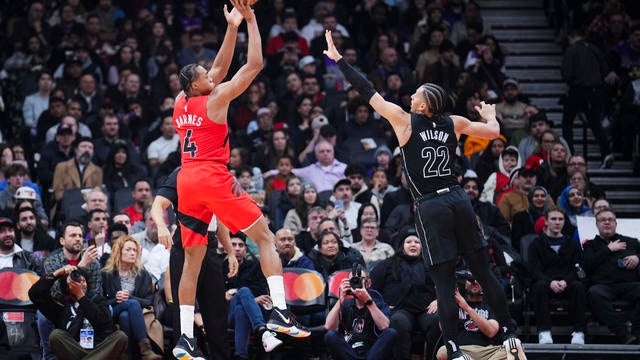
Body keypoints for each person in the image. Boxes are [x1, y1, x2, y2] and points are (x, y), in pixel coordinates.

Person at [324, 30, 526, 360]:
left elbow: (368, 91)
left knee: (444, 282)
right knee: (484, 270)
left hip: (431, 206)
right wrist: (489, 113)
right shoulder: (454, 122)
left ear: (423, 104)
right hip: (459, 199)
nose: (411, 95)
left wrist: (338, 59)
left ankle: (453, 348)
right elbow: (492, 132)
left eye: (416, 93)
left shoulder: (404, 120)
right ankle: (506, 333)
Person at [169, 3, 309, 358]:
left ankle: (184, 339)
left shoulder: (181, 101)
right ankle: (279, 312)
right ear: (197, 84)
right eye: (205, 76)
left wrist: (230, 28)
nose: (212, 76)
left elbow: (217, 67)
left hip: (186, 180)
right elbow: (255, 64)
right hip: (212, 176)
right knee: (265, 238)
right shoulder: (216, 100)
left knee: (192, 262)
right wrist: (251, 20)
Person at [151, 167, 237, 360]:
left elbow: (219, 218)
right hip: (186, 242)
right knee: (184, 313)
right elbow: (157, 204)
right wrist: (161, 225)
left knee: (217, 314)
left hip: (211, 245)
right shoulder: (182, 172)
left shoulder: (217, 172)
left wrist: (230, 252)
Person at [370, 227, 440, 360]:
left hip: (425, 309)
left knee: (436, 321)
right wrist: (382, 306)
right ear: (402, 245)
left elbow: (446, 285)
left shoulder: (430, 265)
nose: (413, 244)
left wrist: (439, 300)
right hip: (399, 309)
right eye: (409, 242)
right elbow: (373, 289)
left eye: (417, 242)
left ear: (422, 246)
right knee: (398, 321)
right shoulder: (387, 265)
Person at [29, 266, 128, 359]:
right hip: (73, 352)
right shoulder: (61, 307)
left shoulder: (98, 300)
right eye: (76, 282)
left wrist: (81, 296)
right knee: (56, 335)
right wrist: (57, 274)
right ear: (67, 287)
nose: (81, 284)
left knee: (120, 337)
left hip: (100, 350)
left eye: (83, 281)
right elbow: (35, 294)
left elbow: (102, 321)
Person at [526, 206, 586, 345]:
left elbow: (577, 267)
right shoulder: (536, 244)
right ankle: (544, 331)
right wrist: (549, 282)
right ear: (546, 222)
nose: (557, 222)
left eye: (560, 219)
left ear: (564, 221)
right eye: (553, 219)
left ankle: (578, 332)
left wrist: (566, 281)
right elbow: (533, 269)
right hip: (545, 283)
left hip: (568, 283)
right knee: (539, 287)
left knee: (579, 287)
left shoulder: (572, 243)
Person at [582, 208, 640, 344]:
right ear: (596, 224)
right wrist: (608, 249)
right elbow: (587, 265)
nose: (607, 222)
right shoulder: (590, 245)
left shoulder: (631, 242)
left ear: (616, 223)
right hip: (604, 287)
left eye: (610, 220)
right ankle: (624, 334)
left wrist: (638, 257)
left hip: (629, 285)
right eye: (603, 220)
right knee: (593, 293)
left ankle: (636, 330)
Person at [101, 236, 163, 359]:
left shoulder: (142, 274)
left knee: (126, 315)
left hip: (134, 313)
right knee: (132, 304)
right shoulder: (106, 274)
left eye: (135, 250)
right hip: (113, 310)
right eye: (128, 250)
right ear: (119, 252)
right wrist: (116, 299)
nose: (132, 253)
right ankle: (145, 350)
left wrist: (130, 297)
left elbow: (149, 301)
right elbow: (100, 301)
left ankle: (127, 354)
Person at [324, 264, 398, 360]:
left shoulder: (378, 303)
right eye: (353, 280)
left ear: (369, 283)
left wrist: (369, 302)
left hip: (373, 352)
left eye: (360, 279)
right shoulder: (346, 304)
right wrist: (341, 299)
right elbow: (328, 327)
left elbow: (384, 326)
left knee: (391, 333)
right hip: (349, 351)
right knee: (330, 335)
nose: (356, 282)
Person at [435, 270, 507, 360]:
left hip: (487, 352)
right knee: (443, 351)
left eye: (478, 279)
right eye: (471, 280)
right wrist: (447, 299)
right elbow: (443, 328)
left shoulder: (491, 305)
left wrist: (467, 308)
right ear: (465, 284)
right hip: (461, 350)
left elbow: (491, 332)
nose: (475, 282)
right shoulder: (455, 303)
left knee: (512, 349)